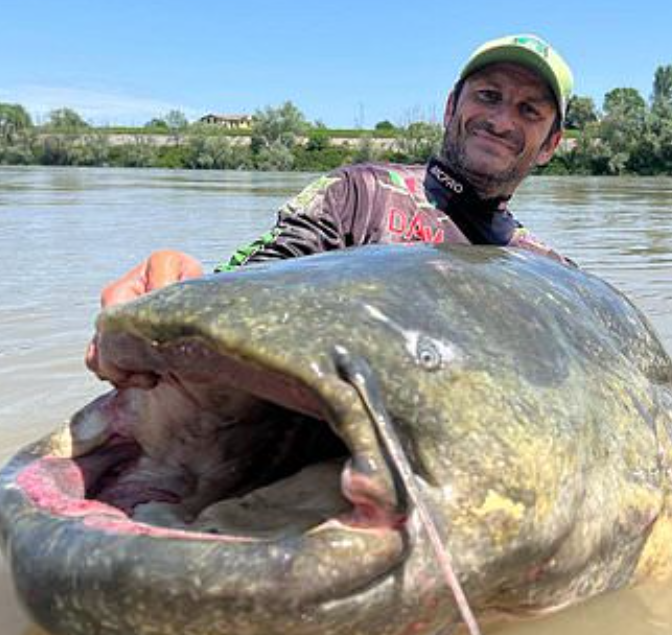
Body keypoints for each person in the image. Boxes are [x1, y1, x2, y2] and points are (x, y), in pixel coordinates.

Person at [87, 33, 574, 387]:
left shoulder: (553, 275)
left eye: (529, 110)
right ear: (450, 108)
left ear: (551, 143)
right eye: (488, 95)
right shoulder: (357, 193)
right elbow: (256, 282)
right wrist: (181, 289)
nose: (501, 119)